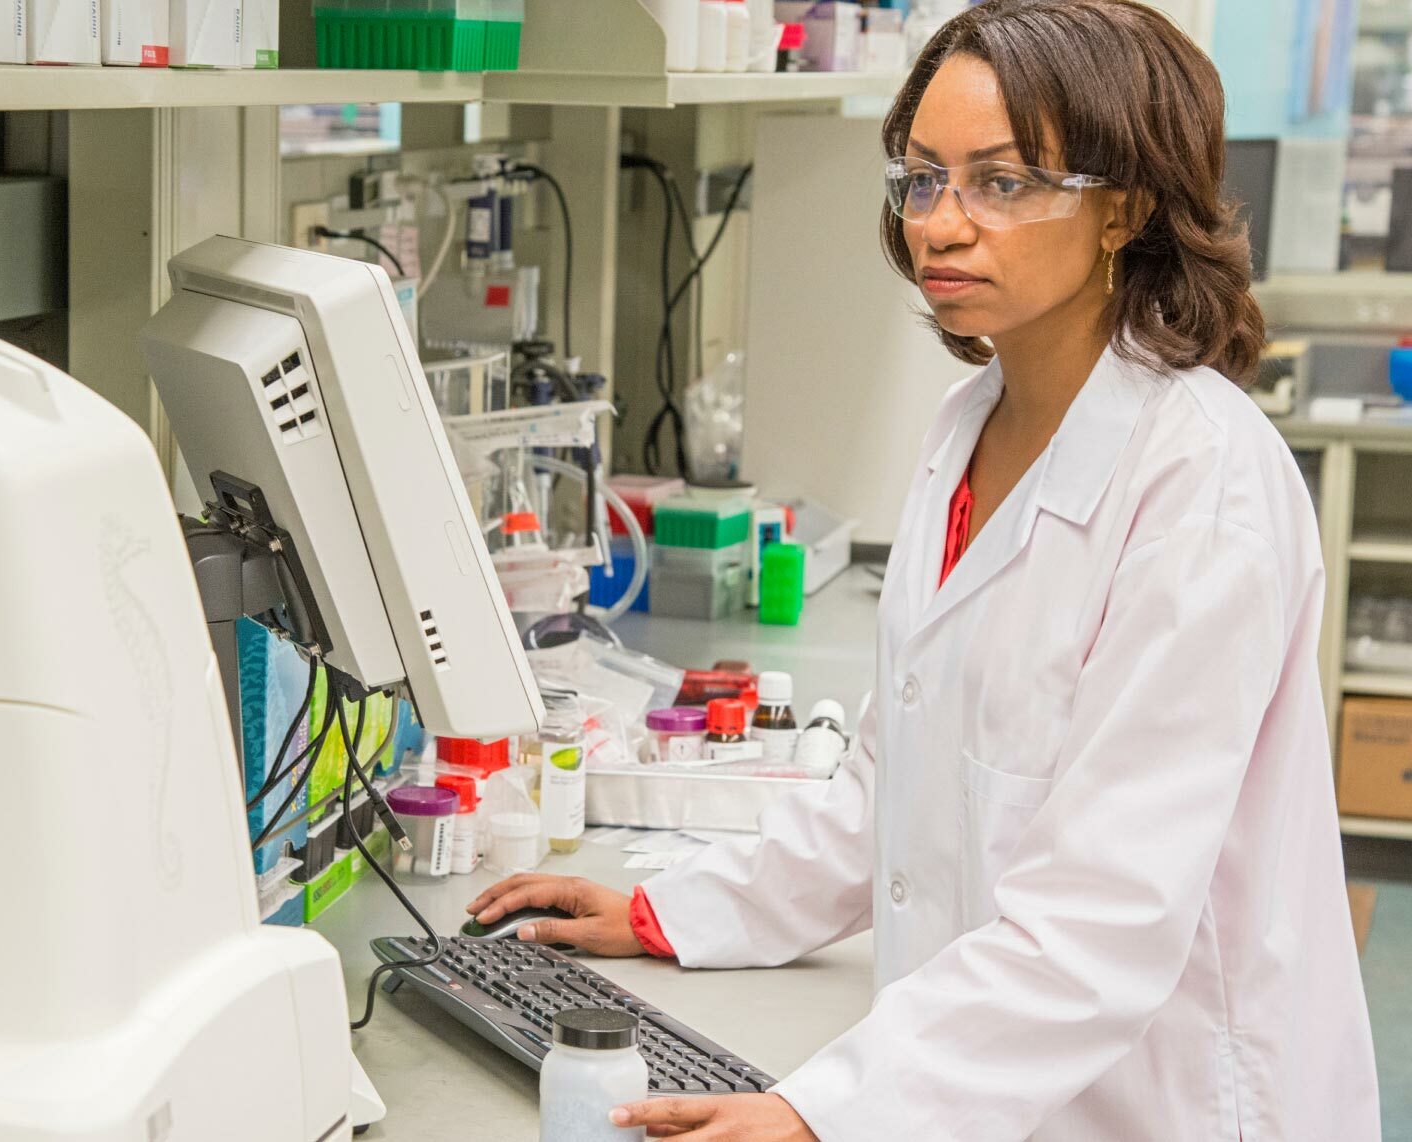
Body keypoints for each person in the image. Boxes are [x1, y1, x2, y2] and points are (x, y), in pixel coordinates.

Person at [467, 1, 1381, 1137]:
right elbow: (887, 796)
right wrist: (667, 911)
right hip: (988, 1077)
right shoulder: (970, 424)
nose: (942, 225)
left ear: (1126, 208)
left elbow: (1102, 920)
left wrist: (820, 1111)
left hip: (1170, 1099)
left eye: (1001, 182)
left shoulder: (1202, 483)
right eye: (923, 178)